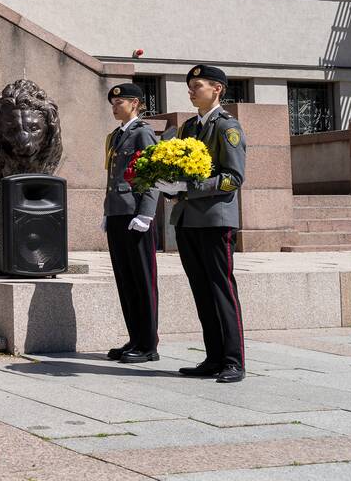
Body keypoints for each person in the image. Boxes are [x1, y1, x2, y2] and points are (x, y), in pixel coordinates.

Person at [156, 64, 247, 383]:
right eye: (190, 86)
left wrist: (189, 189)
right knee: (201, 290)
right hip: (187, 220)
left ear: (217, 89)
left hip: (215, 220)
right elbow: (182, 171)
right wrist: (168, 185)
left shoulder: (227, 127)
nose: (192, 91)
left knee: (221, 289)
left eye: (198, 85)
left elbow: (233, 178)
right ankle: (213, 357)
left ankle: (233, 360)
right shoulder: (189, 127)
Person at [101, 83, 160, 364]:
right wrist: (107, 211)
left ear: (135, 104)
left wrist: (146, 213)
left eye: (119, 102)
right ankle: (135, 338)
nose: (114, 107)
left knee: (142, 280)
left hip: (136, 215)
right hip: (117, 213)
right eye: (113, 103)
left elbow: (152, 175)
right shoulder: (116, 136)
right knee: (125, 280)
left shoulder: (143, 133)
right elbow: (113, 178)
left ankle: (148, 344)